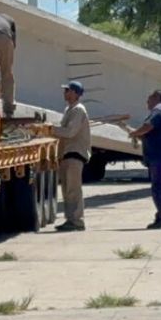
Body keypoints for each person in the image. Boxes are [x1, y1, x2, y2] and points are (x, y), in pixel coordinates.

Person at [127, 89, 161, 229]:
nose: (147, 102)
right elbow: (152, 131)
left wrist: (135, 132)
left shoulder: (159, 109)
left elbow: (148, 126)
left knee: (159, 187)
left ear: (157, 97)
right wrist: (140, 135)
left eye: (149, 99)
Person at [53, 80, 91, 232]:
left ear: (75, 93)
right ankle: (70, 220)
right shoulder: (69, 109)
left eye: (67, 90)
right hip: (67, 154)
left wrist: (51, 129)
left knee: (73, 189)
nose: (65, 93)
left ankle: (77, 221)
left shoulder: (78, 110)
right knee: (67, 189)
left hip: (75, 153)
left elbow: (70, 132)